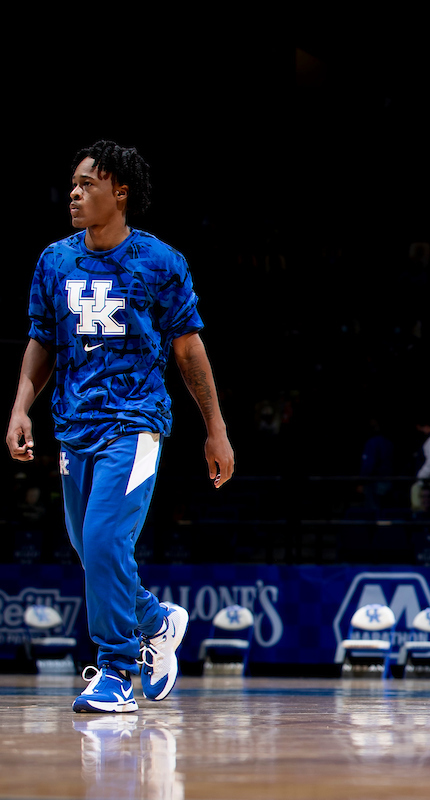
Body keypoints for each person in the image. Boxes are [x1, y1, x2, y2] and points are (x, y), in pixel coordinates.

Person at [5, 141, 235, 713]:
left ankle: (116, 669)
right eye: (73, 185)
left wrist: (216, 429)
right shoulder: (54, 261)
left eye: (88, 184)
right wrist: (19, 408)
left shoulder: (160, 262)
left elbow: (188, 350)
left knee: (107, 540)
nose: (75, 194)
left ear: (121, 192)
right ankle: (157, 622)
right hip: (73, 425)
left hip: (134, 424)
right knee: (91, 548)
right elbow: (42, 340)